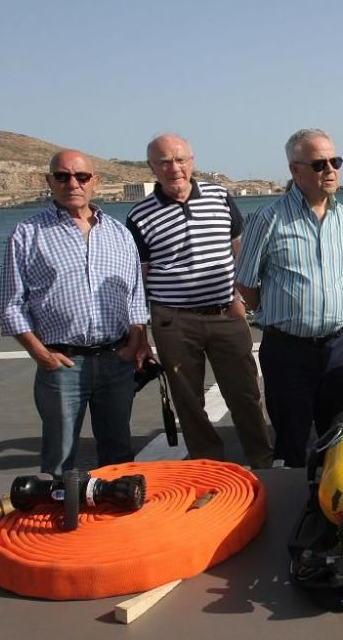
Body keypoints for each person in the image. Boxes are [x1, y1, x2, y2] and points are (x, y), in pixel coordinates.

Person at [0, 150, 148, 476]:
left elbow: (136, 295)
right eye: (62, 176)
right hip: (63, 364)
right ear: (49, 181)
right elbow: (10, 304)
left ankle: (117, 518)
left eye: (81, 177)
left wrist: (137, 339)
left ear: (95, 181)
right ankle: (55, 521)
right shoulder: (28, 234)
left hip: (115, 360)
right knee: (60, 456)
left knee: (119, 452)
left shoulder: (119, 233)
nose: (72, 184)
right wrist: (40, 354)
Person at [126, 134, 273, 469]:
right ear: (151, 167)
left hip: (226, 314)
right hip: (175, 321)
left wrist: (241, 299)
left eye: (180, 159)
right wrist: (141, 331)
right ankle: (209, 465)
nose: (173, 168)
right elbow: (140, 277)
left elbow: (241, 252)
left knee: (245, 393)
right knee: (188, 400)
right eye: (163, 161)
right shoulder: (139, 215)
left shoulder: (220, 197)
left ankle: (262, 460)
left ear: (192, 161)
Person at [235, 129, 343, 467]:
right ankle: (295, 513)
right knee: (292, 439)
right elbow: (246, 282)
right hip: (288, 351)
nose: (331, 170)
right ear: (296, 171)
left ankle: (334, 511)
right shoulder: (267, 219)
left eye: (335, 162)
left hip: (339, 347)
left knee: (341, 438)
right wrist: (281, 313)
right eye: (319, 164)